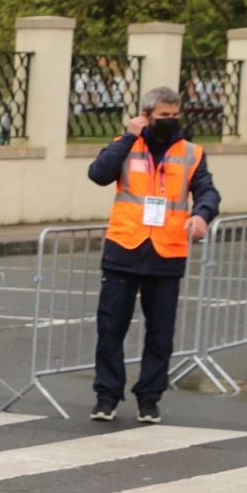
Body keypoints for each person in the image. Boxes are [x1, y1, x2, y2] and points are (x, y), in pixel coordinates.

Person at [87, 86, 220, 424]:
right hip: (124, 249)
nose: (171, 122)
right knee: (110, 329)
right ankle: (107, 397)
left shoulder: (192, 152)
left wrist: (201, 214)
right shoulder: (126, 145)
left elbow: (207, 191)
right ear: (146, 116)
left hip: (167, 252)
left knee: (160, 334)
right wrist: (127, 138)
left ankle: (149, 398)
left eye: (175, 116)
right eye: (164, 117)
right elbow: (99, 174)